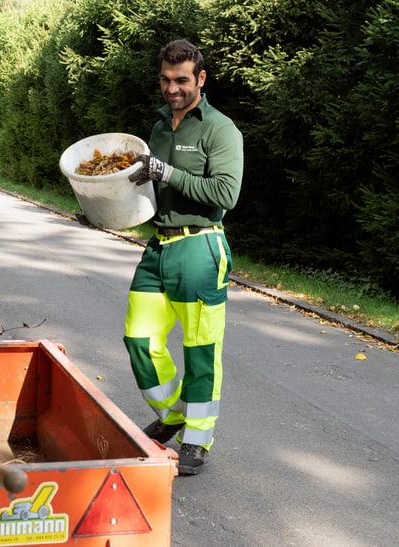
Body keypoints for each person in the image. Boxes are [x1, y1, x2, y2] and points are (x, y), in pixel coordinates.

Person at [124, 39, 244, 475]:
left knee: (200, 350)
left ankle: (197, 437)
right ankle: (174, 414)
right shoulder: (157, 127)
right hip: (157, 248)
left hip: (201, 247)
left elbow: (225, 193)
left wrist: (167, 171)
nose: (172, 89)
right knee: (139, 340)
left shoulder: (220, 129)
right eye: (165, 79)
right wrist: (107, 207)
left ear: (200, 79)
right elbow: (154, 192)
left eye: (181, 80)